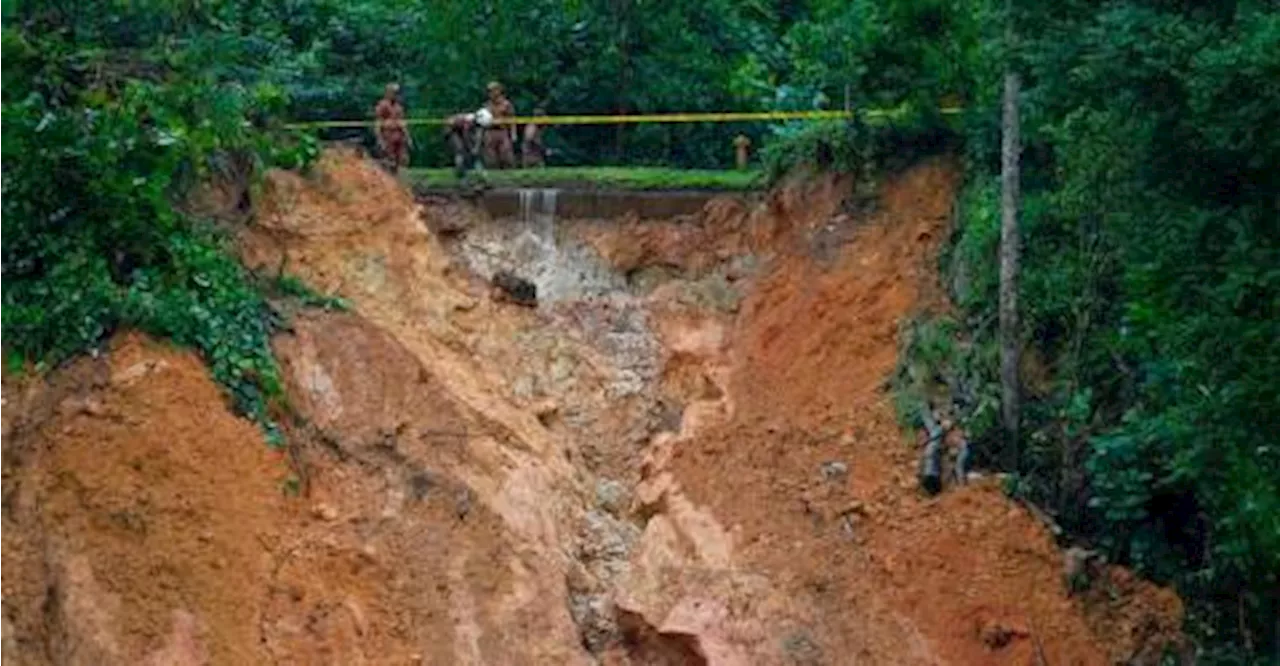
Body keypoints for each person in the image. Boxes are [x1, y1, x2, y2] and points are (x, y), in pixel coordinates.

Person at [374, 83, 411, 173]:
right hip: (388, 136)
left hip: (399, 137)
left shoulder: (399, 107)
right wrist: (379, 139)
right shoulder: (382, 105)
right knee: (389, 159)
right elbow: (378, 122)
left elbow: (402, 122)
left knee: (401, 160)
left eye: (397, 93)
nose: (396, 95)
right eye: (394, 92)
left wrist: (408, 137)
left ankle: (396, 178)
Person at [481, 81, 516, 169]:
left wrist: (513, 133)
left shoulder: (506, 104)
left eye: (492, 90)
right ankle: (493, 174)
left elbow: (512, 119)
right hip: (490, 131)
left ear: (499, 90)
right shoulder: (486, 105)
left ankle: (508, 173)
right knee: (490, 156)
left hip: (502, 131)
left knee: (506, 155)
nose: (490, 93)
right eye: (489, 91)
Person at [444, 112, 482, 178]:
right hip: (452, 132)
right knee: (460, 151)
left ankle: (478, 175)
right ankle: (461, 173)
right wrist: (472, 149)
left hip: (457, 130)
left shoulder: (475, 123)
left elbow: (478, 137)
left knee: (471, 153)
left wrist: (475, 149)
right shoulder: (464, 122)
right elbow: (465, 137)